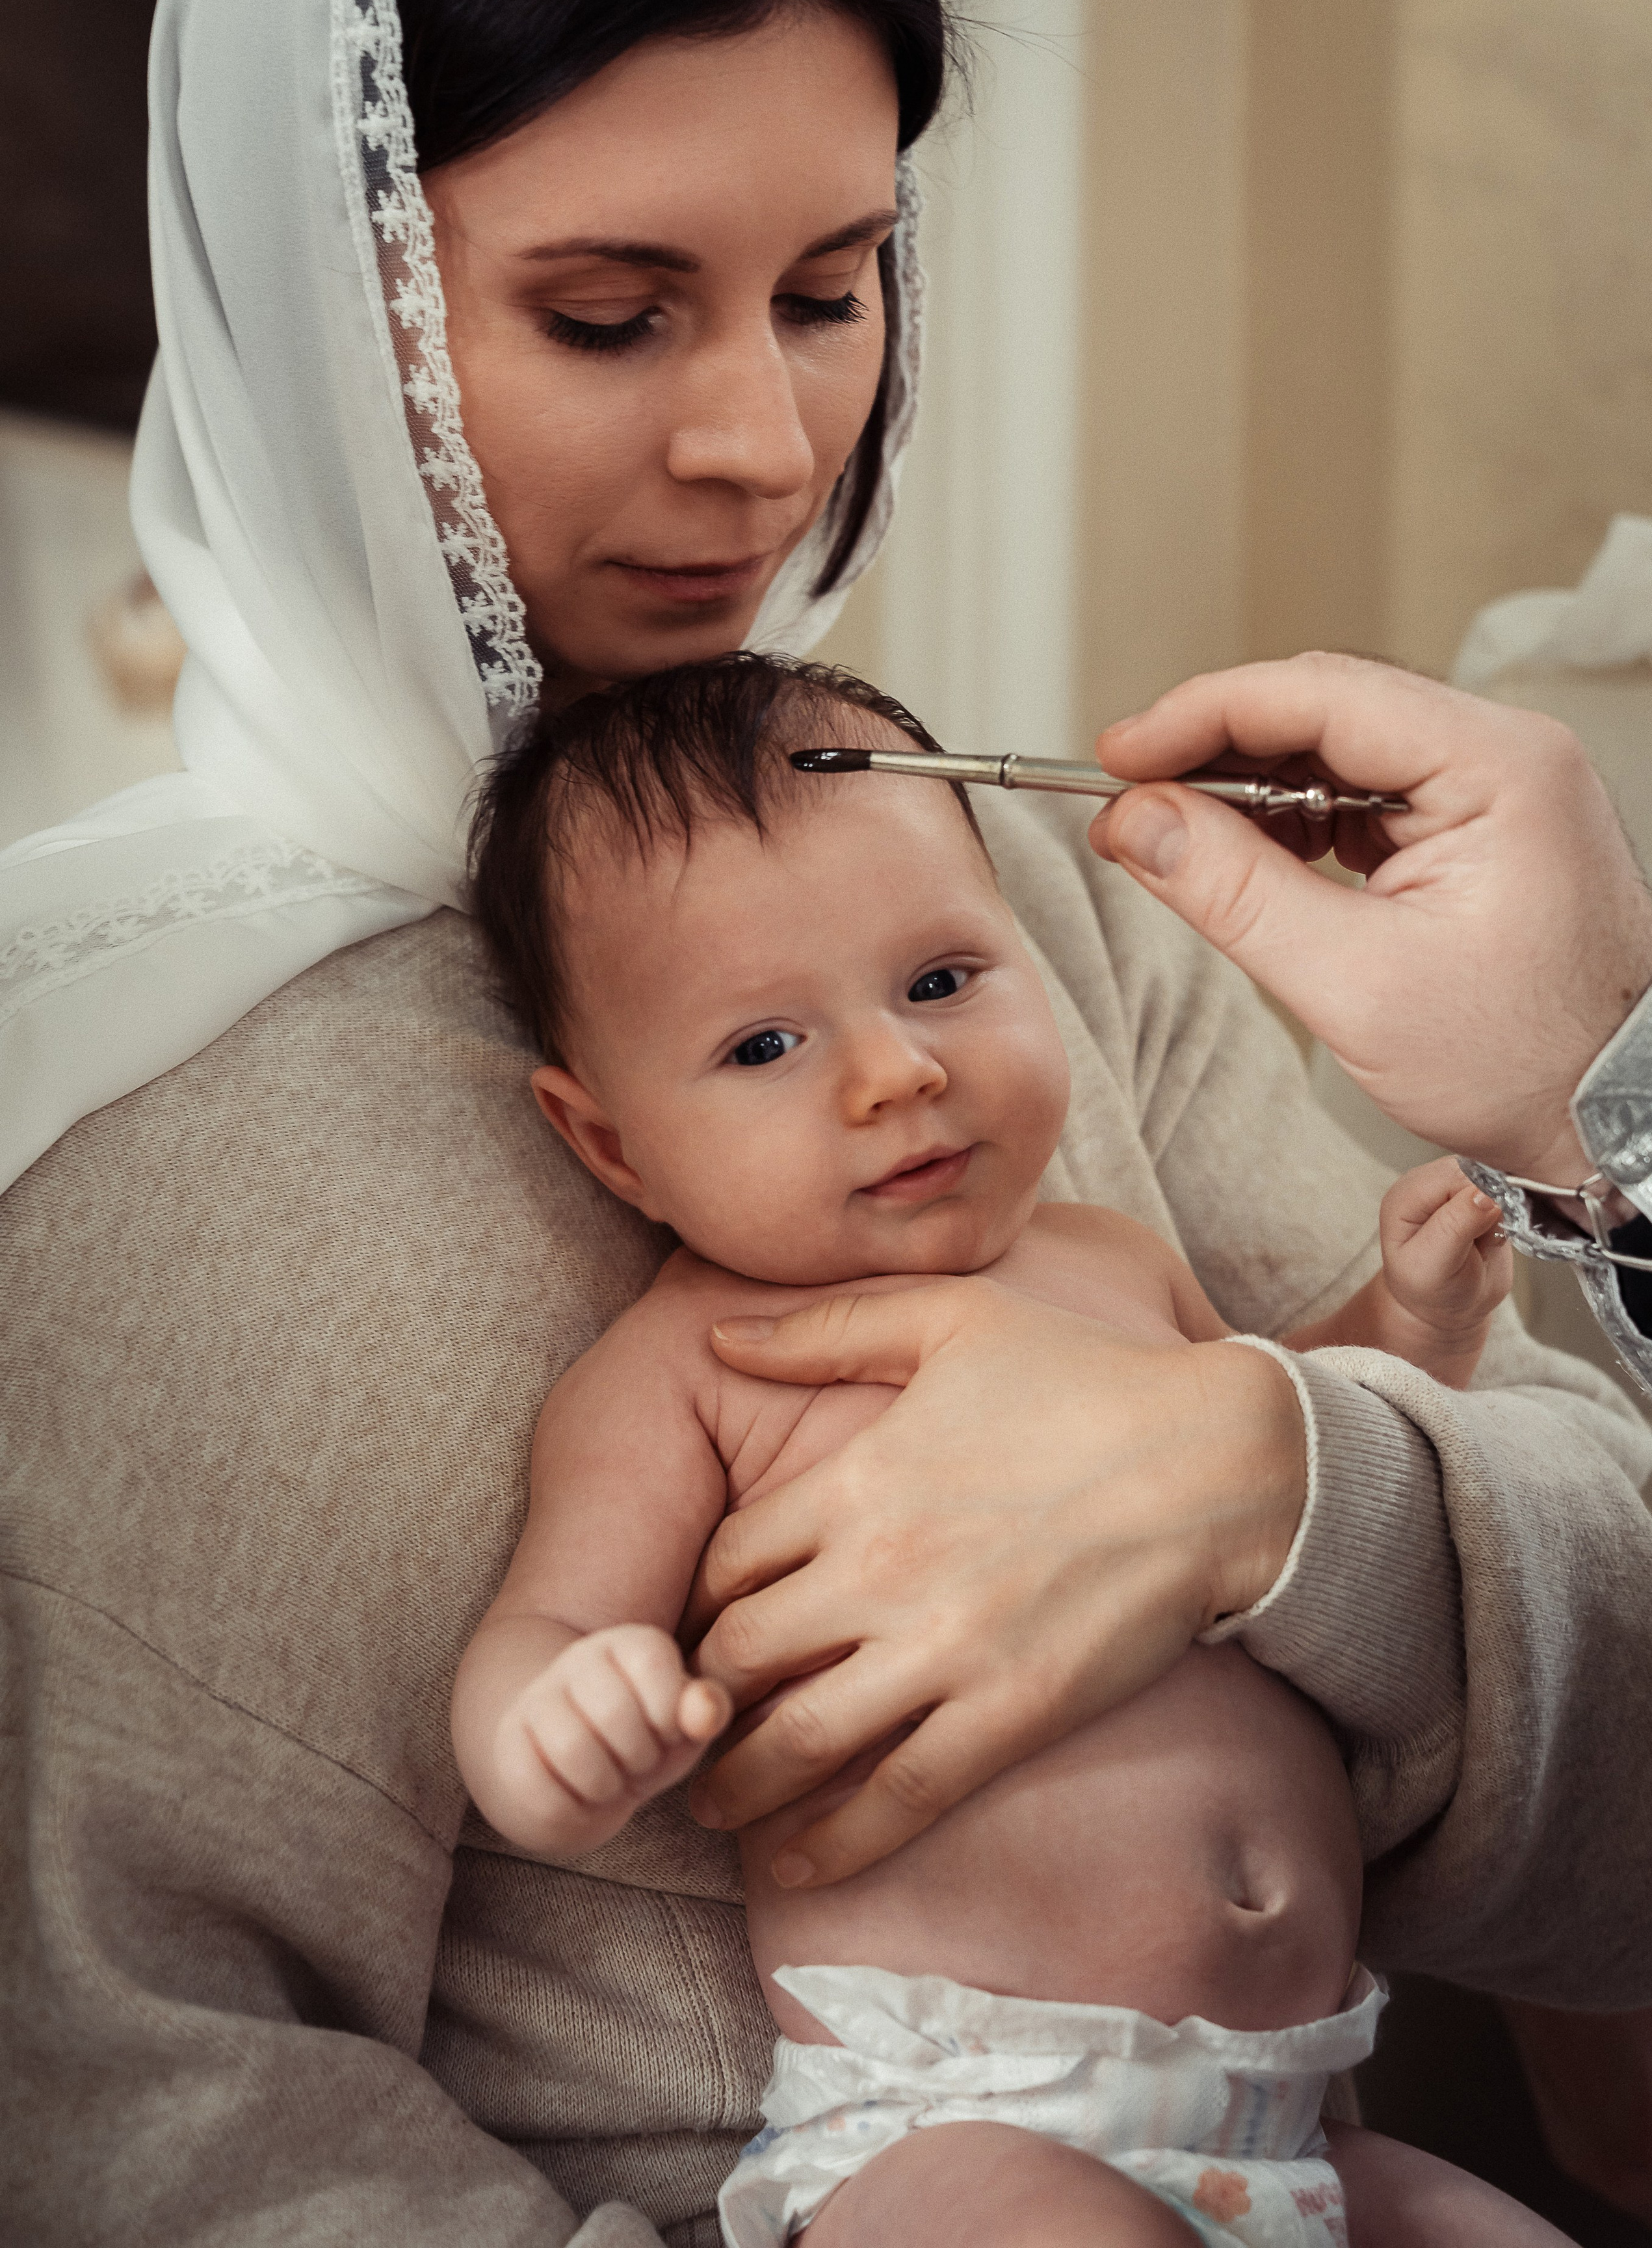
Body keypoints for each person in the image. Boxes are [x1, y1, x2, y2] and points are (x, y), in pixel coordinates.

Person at [2, 0, 1652, 2243]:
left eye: (831, 284)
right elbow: (154, 2117)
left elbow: (1631, 1768)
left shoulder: (1018, 905)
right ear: (305, 276)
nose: (769, 450)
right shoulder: (134, 1142)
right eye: (606, 310)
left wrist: (1278, 1475)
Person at [454, 650, 1562, 2248]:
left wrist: (1410, 1331)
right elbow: (544, 1629)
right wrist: (555, 1733)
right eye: (764, 1047)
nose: (897, 1071)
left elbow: (1269, 1454)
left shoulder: (1110, 1257)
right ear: (610, 1142)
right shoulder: (690, 1371)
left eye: (940, 980)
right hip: (963, 2129)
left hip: (1296, 2108)